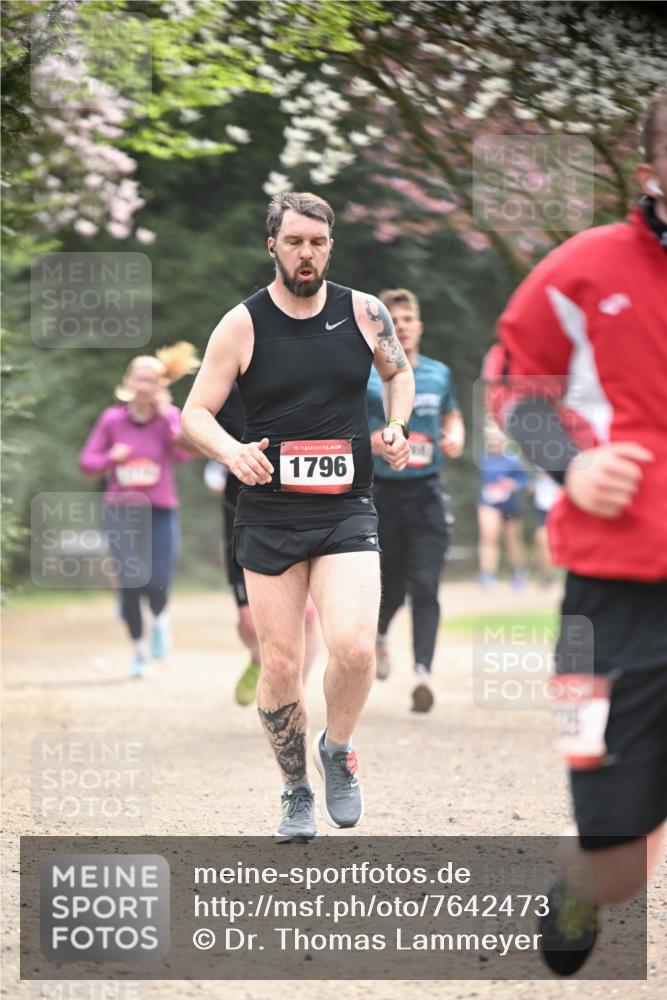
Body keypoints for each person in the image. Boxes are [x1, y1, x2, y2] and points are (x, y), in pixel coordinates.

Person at [491, 91, 667, 975]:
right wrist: (572, 464)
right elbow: (513, 389)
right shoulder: (580, 270)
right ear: (651, 172)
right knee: (615, 842)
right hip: (615, 579)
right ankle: (581, 870)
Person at [182, 192, 414, 842]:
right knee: (281, 663)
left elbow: (398, 375)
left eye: (316, 242)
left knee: (355, 648)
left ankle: (337, 749)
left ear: (329, 246)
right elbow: (194, 413)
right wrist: (231, 452)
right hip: (269, 514)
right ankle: (293, 790)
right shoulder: (241, 325)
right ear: (272, 246)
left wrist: (395, 425)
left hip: (345, 508)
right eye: (293, 242)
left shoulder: (365, 312)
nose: (305, 253)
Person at [367, 287, 463, 712]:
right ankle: (381, 635)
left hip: (426, 491)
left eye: (408, 319)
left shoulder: (439, 373)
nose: (402, 327)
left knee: (426, 583)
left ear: (419, 327)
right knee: (391, 585)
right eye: (394, 320)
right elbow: (346, 428)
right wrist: (375, 441)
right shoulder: (367, 376)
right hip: (381, 493)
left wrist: (455, 432)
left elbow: (451, 412)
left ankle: (423, 672)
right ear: (383, 327)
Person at [79, 343, 200, 678]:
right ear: (129, 381)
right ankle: (138, 652)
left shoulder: (169, 419)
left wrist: (166, 421)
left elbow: (185, 455)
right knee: (130, 583)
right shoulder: (112, 420)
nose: (145, 386)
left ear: (159, 386)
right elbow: (86, 463)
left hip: (160, 510)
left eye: (152, 381)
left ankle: (160, 620)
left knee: (158, 582)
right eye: (140, 379)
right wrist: (110, 459)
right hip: (121, 511)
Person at [207, 384, 320, 706]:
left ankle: (294, 695)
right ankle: (259, 660)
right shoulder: (227, 381)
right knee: (248, 622)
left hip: (301, 506)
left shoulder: (307, 373)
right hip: (242, 510)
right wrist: (223, 455)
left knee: (308, 616)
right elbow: (197, 429)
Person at [477, 421, 529, 590]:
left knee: (512, 540)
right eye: (490, 440)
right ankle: (487, 574)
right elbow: (478, 482)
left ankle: (518, 572)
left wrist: (512, 484)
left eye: (496, 440)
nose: (493, 443)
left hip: (511, 504)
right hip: (489, 503)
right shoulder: (482, 459)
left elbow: (525, 482)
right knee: (488, 536)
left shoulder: (514, 460)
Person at [532, 469, 561, 587]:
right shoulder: (535, 459)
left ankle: (552, 571)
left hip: (559, 506)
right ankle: (548, 574)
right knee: (542, 540)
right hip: (542, 507)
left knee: (553, 543)